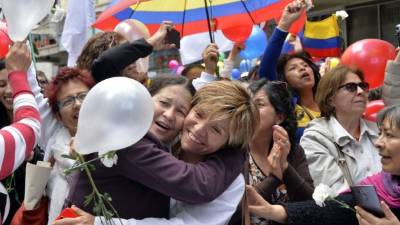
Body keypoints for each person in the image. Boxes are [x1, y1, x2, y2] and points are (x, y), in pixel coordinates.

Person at [59, 80, 259, 225]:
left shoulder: (231, 182)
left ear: (230, 142)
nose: (199, 129)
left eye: (216, 130)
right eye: (198, 114)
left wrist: (100, 223)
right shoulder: (145, 142)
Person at [246, 104, 400, 225]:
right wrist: (275, 211)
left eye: (390, 135)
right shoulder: (381, 186)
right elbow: (339, 209)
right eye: (380, 133)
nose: (378, 143)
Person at [228, 79, 314, 225]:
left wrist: (285, 166)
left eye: (259, 104)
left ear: (279, 117)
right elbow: (233, 211)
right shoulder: (233, 150)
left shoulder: (293, 151)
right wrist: (273, 179)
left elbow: (310, 205)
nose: (250, 109)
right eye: (247, 104)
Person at [25, 66, 95, 225]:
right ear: (58, 115)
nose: (77, 104)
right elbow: (32, 91)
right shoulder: (53, 143)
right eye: (68, 101)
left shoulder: (113, 144)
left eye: (83, 96)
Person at [301, 65, 381, 194]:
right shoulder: (315, 138)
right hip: (350, 213)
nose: (360, 91)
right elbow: (336, 194)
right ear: (330, 99)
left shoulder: (378, 131)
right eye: (351, 87)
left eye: (363, 86)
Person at [258, 1, 321, 143]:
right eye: (293, 68)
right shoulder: (288, 108)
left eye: (305, 65)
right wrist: (285, 23)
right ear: (284, 79)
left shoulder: (330, 104)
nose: (302, 68)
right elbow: (266, 69)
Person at [0, 42, 41, 223]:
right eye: (1, 84)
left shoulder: (45, 114)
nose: (9, 91)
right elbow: (30, 127)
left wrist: (33, 158)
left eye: (13, 83)